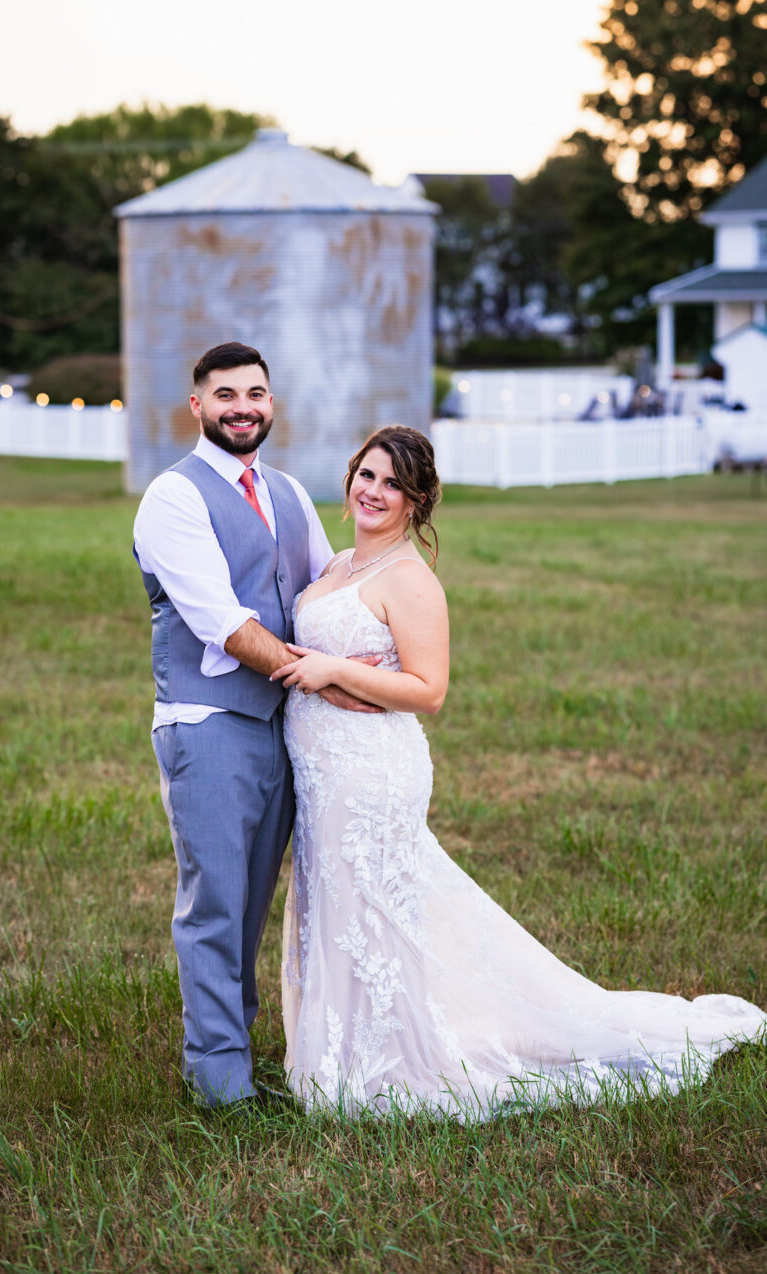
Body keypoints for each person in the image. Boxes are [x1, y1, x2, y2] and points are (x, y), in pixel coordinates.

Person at [274, 424, 766, 1119]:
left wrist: (332, 669)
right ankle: (340, 1046)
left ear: (417, 501)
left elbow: (430, 690)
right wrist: (332, 678)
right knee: (339, 901)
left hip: (372, 771)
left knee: (374, 907)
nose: (373, 492)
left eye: (392, 484)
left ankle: (394, 1057)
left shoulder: (410, 581)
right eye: (366, 475)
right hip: (324, 769)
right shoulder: (334, 570)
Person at [133, 341, 378, 1108]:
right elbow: (223, 621)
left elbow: (325, 583)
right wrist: (323, 680)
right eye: (227, 394)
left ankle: (239, 1049)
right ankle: (220, 1084)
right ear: (197, 406)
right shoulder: (171, 499)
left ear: (272, 404)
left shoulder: (286, 491)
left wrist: (393, 580)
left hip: (284, 728)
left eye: (257, 394)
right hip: (208, 724)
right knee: (214, 902)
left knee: (253, 904)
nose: (244, 407)